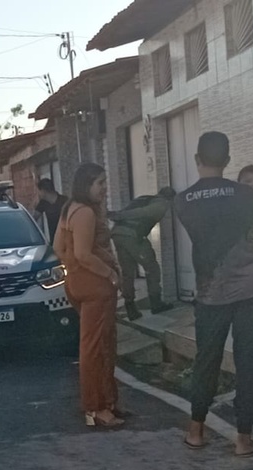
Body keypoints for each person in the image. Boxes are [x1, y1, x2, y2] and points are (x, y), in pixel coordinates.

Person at [175, 132, 253, 457]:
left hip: (210, 291)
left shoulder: (183, 201)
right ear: (227, 160)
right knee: (248, 360)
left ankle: (195, 431)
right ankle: (243, 438)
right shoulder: (244, 194)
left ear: (197, 160)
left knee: (206, 359)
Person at [53, 163, 125, 428]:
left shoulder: (69, 209)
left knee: (103, 344)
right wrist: (110, 274)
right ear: (86, 185)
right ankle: (96, 408)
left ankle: (108, 402)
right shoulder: (85, 213)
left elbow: (59, 248)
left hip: (77, 283)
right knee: (95, 348)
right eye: (100, 183)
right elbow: (84, 254)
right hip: (95, 286)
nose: (105, 188)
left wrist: (73, 268)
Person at [107, 187, 176, 320]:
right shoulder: (161, 204)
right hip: (131, 235)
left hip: (117, 234)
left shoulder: (144, 198)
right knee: (152, 268)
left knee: (127, 272)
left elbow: (130, 209)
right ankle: (156, 303)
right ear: (170, 199)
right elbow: (142, 212)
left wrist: (117, 215)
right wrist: (117, 215)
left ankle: (130, 308)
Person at [36, 178, 68, 243]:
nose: (38, 194)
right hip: (54, 240)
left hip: (66, 239)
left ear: (43, 190)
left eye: (39, 191)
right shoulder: (43, 203)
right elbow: (34, 217)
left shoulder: (64, 201)